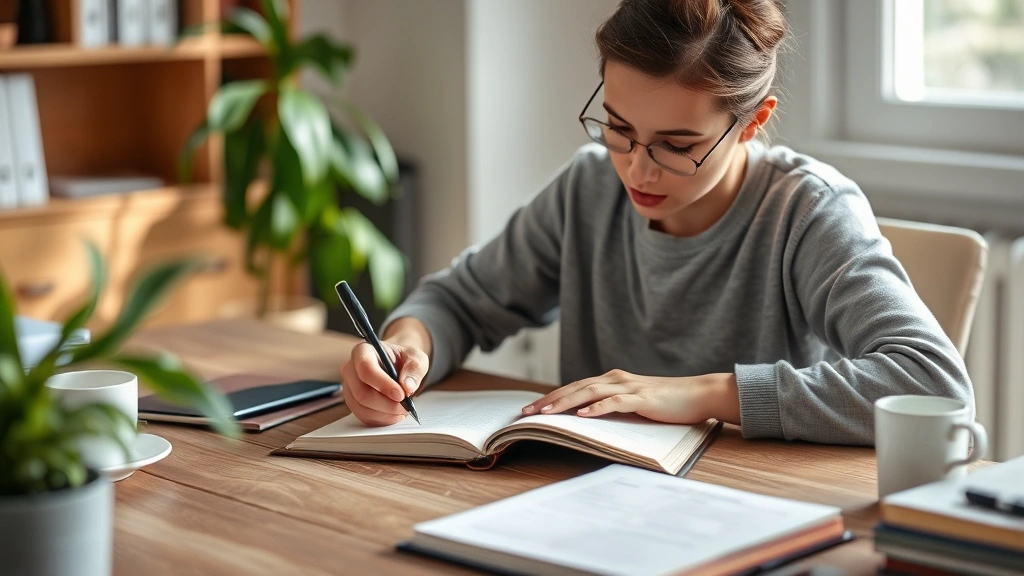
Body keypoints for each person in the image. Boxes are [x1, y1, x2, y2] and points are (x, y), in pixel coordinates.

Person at [339, 0, 973, 445]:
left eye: (676, 144)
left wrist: (696, 395)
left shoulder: (807, 211)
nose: (637, 171)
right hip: (582, 500)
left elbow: (935, 384)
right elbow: (459, 300)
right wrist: (406, 348)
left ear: (751, 122)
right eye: (619, 128)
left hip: (754, 508)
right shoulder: (589, 188)